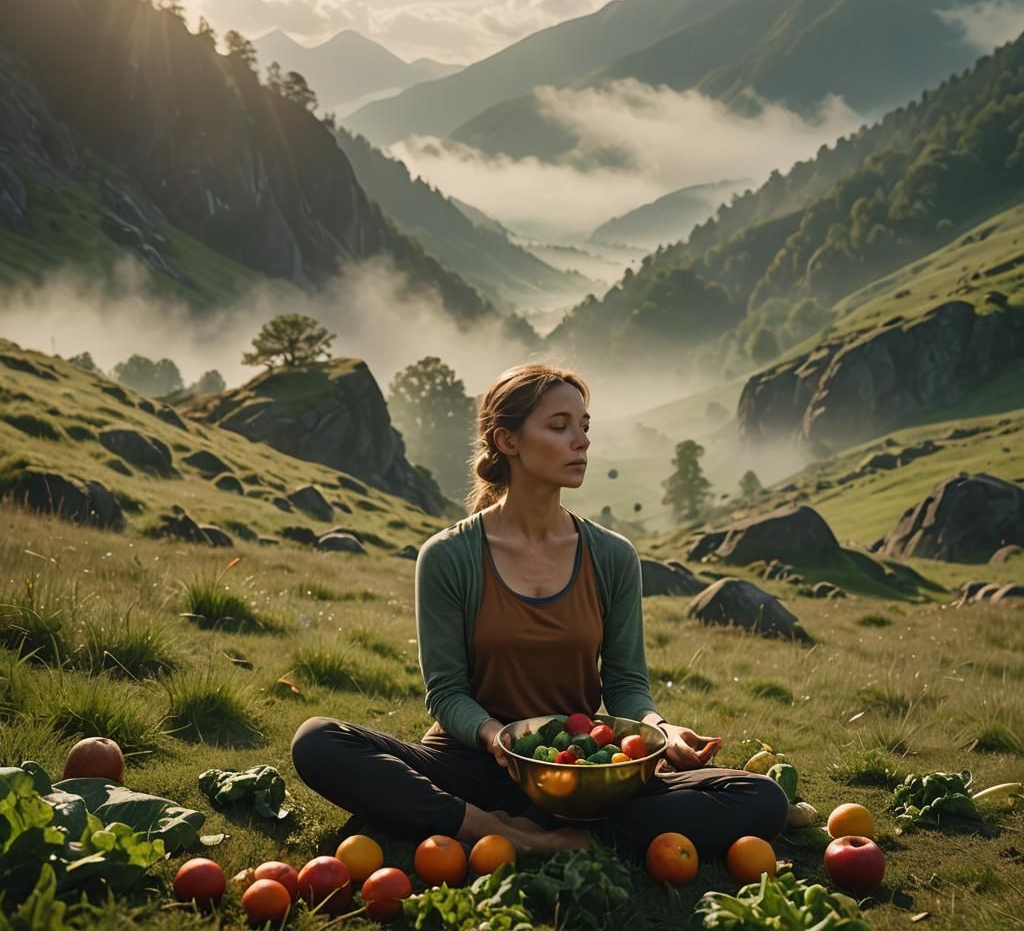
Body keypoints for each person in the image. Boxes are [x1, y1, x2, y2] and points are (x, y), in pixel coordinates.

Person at [291, 363, 788, 858]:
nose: (582, 441)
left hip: (577, 768)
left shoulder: (612, 555)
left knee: (760, 797)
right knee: (317, 741)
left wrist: (660, 729)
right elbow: (446, 693)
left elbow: (625, 685)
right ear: (507, 440)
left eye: (584, 426)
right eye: (560, 426)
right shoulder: (448, 556)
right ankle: (502, 830)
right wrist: (495, 737)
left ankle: (563, 832)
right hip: (473, 760)